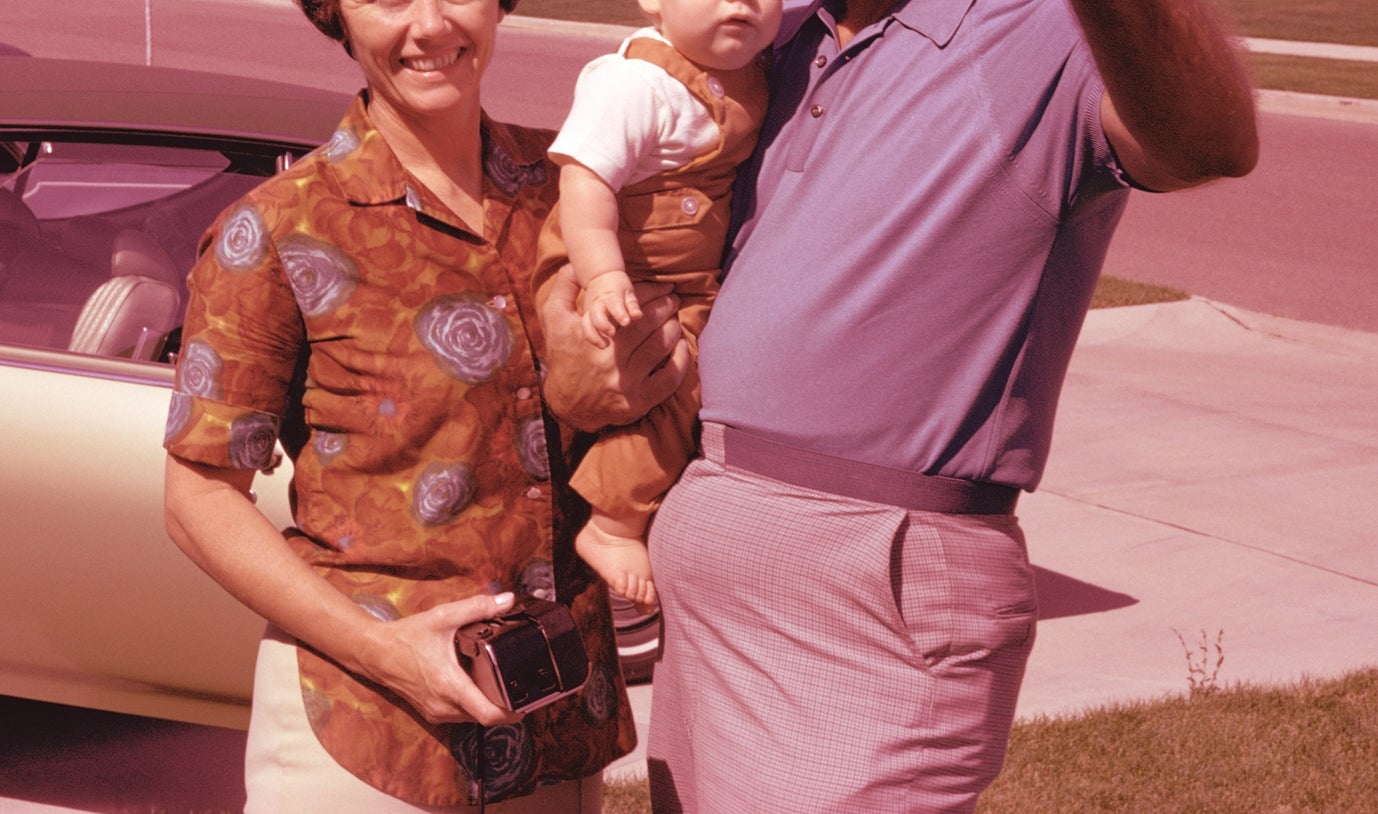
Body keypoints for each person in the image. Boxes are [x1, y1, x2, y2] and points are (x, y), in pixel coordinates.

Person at [539, 0, 1260, 810]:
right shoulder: (782, 35)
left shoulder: (1045, 29)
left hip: (872, 598)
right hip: (708, 579)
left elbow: (1210, 144)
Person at [160, 0, 656, 810]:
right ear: (338, 19)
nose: (429, 26)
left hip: (558, 732)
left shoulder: (573, 198)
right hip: (371, 737)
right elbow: (195, 501)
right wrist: (390, 656)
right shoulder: (281, 228)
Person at [533, 0, 781, 613]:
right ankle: (612, 522)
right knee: (677, 383)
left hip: (687, 270)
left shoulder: (757, 68)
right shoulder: (632, 83)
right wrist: (603, 276)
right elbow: (585, 185)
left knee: (696, 378)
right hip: (622, 263)